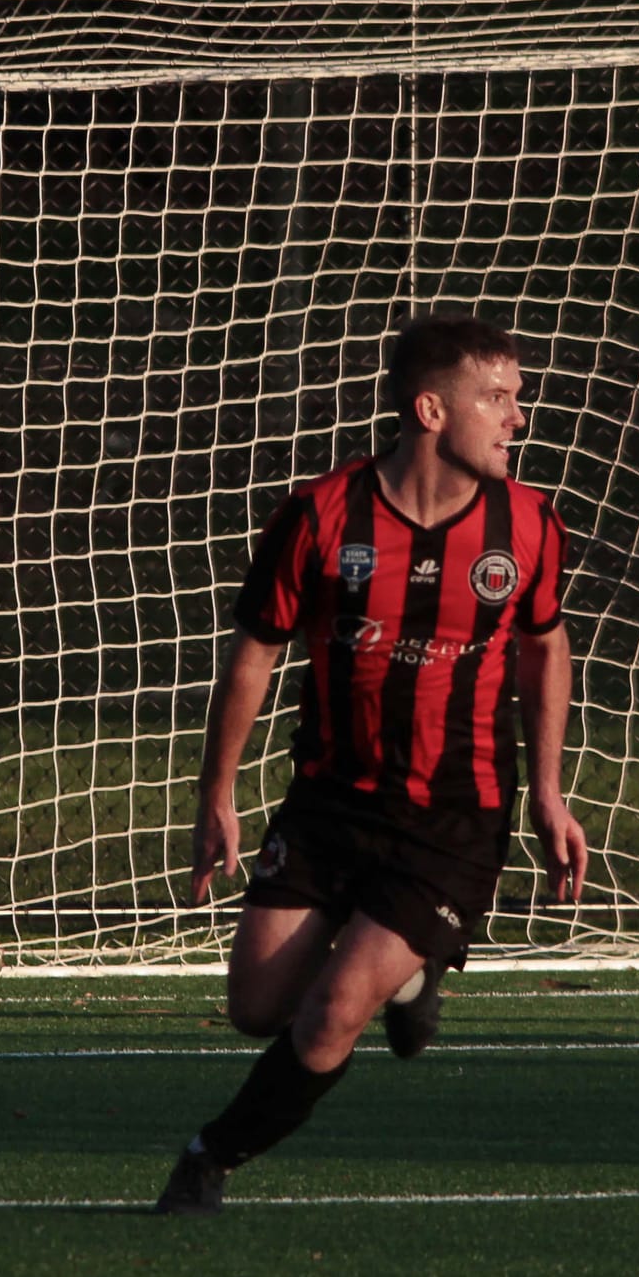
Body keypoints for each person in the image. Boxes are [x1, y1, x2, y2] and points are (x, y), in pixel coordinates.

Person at [155, 312, 588, 1214]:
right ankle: (412, 970)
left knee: (329, 1014)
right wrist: (217, 795)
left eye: (517, 400)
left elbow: (548, 649)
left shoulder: (529, 524)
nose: (518, 419)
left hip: (454, 817)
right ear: (431, 410)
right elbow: (253, 656)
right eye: (497, 399)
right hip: (327, 804)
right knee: (255, 1009)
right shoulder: (321, 515)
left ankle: (211, 1154)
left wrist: (548, 792)